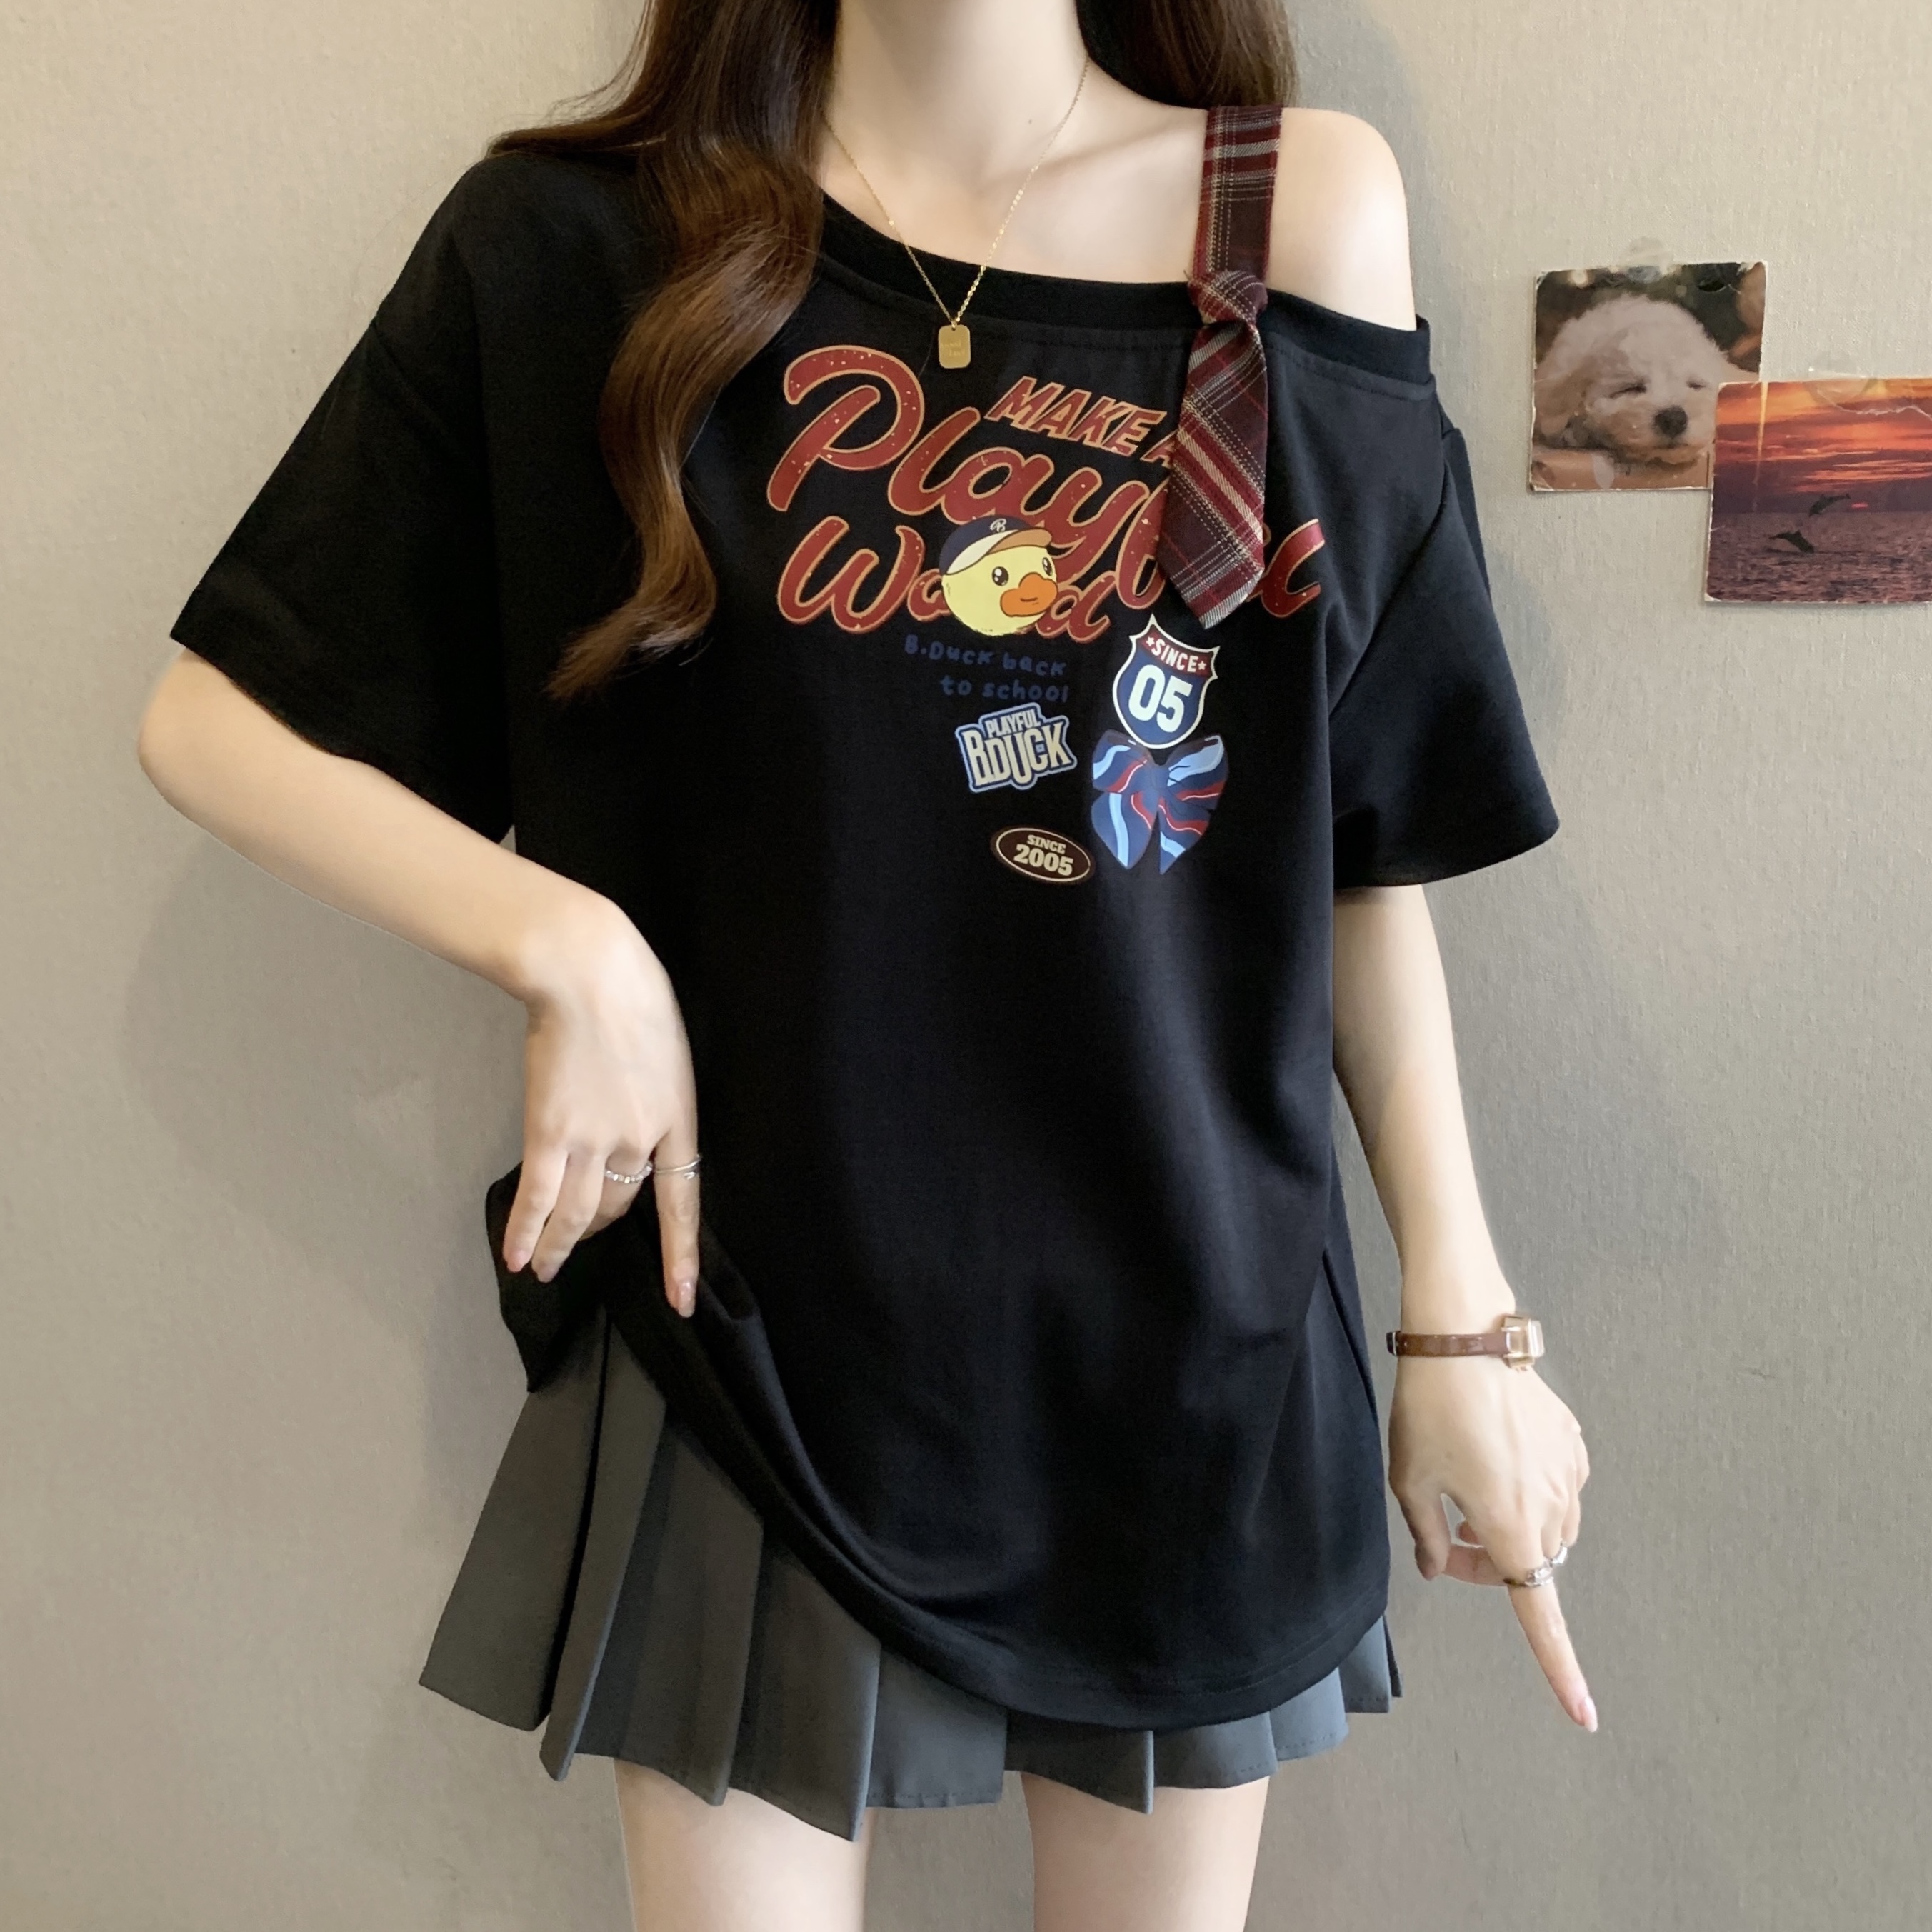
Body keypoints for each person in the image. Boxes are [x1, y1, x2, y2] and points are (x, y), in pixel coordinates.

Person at [137, 2, 1593, 1926]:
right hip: (751, 1332)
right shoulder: (583, 247)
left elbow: (1344, 829)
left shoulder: (1295, 209)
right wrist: (569, 946)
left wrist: (1458, 1318)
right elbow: (220, 721)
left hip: (1192, 1333)